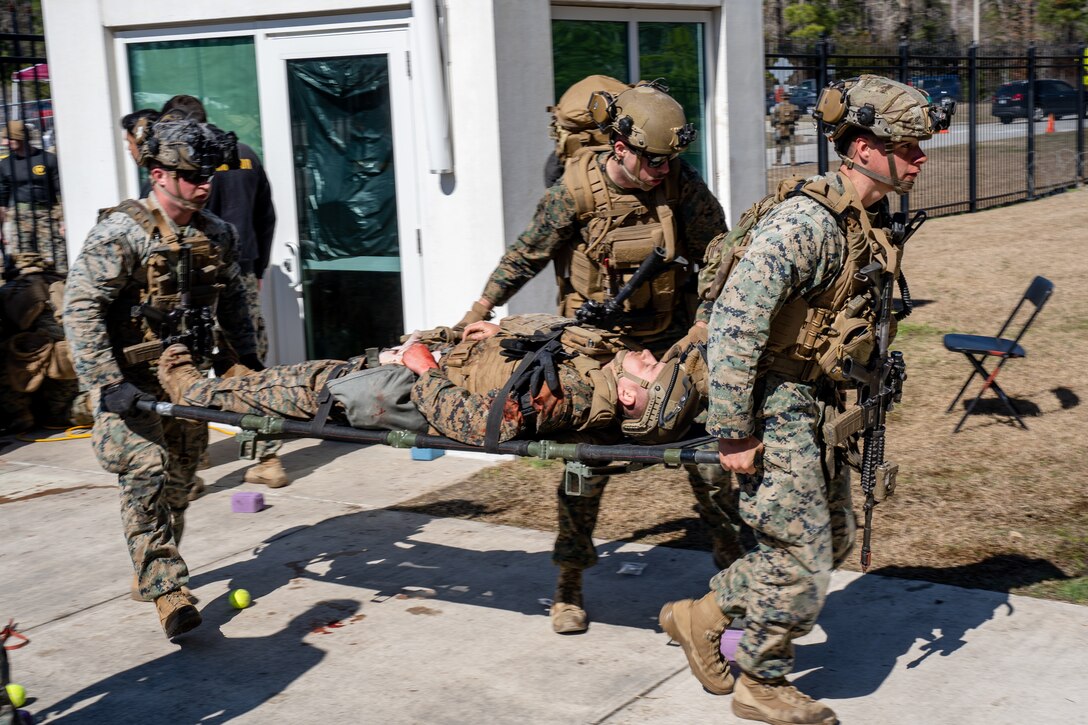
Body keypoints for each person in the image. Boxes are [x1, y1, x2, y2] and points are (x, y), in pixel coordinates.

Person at [658, 75, 951, 725]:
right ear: (866, 148)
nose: (921, 157)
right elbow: (737, 320)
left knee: (832, 535)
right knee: (801, 553)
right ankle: (761, 680)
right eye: (909, 145)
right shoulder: (806, 223)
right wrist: (733, 430)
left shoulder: (863, 219)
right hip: (770, 398)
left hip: (816, 396)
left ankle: (701, 616)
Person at [454, 80, 740, 634]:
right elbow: (525, 255)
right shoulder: (574, 192)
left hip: (669, 342)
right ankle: (568, 583)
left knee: (709, 459)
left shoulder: (679, 184)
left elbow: (718, 250)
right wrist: (478, 312)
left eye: (670, 160)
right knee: (582, 465)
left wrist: (706, 316)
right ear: (621, 148)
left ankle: (733, 571)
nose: (663, 169)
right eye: (653, 160)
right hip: (594, 352)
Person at [63, 117, 259, 640]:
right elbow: (80, 306)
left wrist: (246, 366)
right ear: (158, 174)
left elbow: (235, 305)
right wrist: (106, 382)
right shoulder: (121, 233)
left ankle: (147, 558)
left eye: (210, 174)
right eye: (193, 174)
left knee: (181, 480)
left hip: (184, 381)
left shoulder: (217, 235)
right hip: (127, 386)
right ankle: (167, 589)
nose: (205, 184)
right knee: (147, 468)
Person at [157, 94, 286, 490]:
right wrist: (258, 268)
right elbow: (267, 216)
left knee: (183, 367)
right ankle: (267, 459)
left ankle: (189, 468)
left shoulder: (179, 163)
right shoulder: (245, 155)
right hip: (241, 277)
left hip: (191, 283)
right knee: (246, 369)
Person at [0, 120, 65, 273]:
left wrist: (63, 221)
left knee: (57, 260)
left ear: (20, 138)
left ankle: (57, 291)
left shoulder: (48, 159)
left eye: (9, 138)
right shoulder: (5, 164)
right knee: (22, 262)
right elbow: (2, 199)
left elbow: (60, 193)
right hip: (19, 218)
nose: (5, 143)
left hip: (47, 216)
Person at [770, 91, 799, 166]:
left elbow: (773, 118)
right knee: (791, 145)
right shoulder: (794, 107)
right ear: (789, 98)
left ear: (782, 98)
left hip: (780, 128)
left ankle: (778, 161)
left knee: (779, 145)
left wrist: (774, 125)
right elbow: (797, 117)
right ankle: (793, 161)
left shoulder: (777, 107)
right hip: (790, 128)